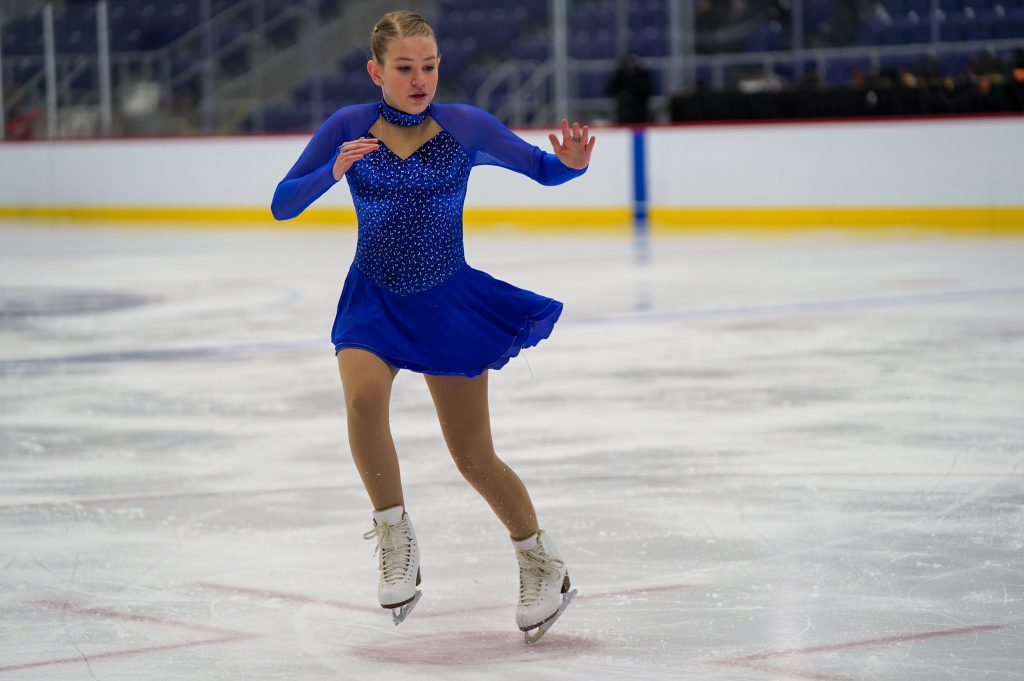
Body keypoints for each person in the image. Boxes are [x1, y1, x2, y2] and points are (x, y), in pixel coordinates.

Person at [270, 11, 595, 643]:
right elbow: (282, 203)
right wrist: (331, 170)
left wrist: (572, 166)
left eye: (429, 66)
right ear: (376, 72)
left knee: (473, 455)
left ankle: (539, 559)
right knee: (363, 399)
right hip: (372, 300)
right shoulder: (347, 127)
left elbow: (541, 168)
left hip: (447, 302)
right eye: (405, 68)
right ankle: (393, 533)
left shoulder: (465, 125)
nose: (420, 79)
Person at [606, 52, 653, 124]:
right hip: (624, 113)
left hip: (640, 113)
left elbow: (648, 90)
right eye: (629, 61)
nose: (631, 64)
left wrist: (635, 76)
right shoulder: (620, 75)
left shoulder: (643, 75)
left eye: (633, 60)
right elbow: (609, 89)